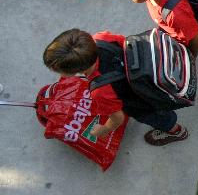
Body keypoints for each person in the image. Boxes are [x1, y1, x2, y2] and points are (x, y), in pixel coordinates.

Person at [43, 29, 188, 146]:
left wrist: (104, 130)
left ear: (71, 72)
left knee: (158, 118)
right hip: (147, 75)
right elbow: (125, 44)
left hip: (143, 102)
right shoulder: (101, 38)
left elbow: (117, 117)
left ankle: (176, 131)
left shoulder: (100, 91)